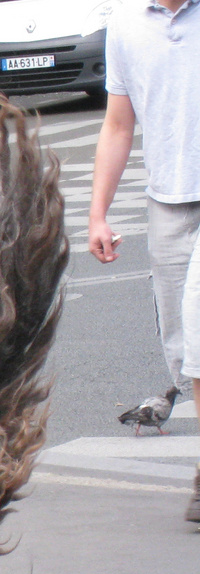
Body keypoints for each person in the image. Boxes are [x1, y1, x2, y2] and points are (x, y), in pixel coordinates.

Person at [89, 0, 200, 525]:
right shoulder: (126, 23)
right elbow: (117, 124)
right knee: (180, 348)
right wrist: (98, 214)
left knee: (199, 334)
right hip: (168, 203)